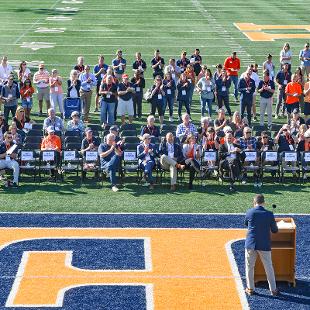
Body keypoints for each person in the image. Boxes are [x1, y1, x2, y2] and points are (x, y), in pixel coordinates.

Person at [244, 194, 279, 297]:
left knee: (250, 266)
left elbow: (246, 224)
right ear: (264, 203)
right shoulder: (269, 214)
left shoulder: (249, 212)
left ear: (254, 202)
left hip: (251, 243)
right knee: (268, 266)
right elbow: (275, 230)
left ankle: (250, 288)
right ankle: (273, 289)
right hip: (264, 244)